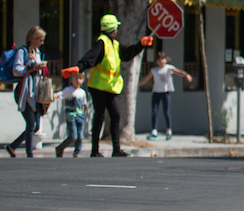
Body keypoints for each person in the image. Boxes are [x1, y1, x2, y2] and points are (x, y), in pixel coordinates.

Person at [60, 15, 153, 158]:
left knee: (115, 115)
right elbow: (90, 57)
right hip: (98, 86)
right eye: (116, 27)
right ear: (113, 29)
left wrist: (141, 44)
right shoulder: (102, 42)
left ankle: (116, 149)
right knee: (100, 116)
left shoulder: (114, 44)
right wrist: (79, 67)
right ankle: (95, 150)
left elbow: (127, 54)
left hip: (109, 86)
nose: (117, 30)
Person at [4, 27, 48, 158]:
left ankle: (12, 146)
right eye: (40, 40)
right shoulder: (22, 52)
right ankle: (30, 154)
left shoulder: (37, 52)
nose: (42, 43)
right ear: (33, 39)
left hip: (35, 92)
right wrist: (32, 68)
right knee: (31, 123)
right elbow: (16, 70)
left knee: (35, 126)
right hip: (24, 91)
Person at [138, 53, 192, 140]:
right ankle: (154, 131)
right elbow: (145, 79)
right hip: (156, 92)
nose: (161, 61)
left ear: (166, 60)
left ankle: (168, 131)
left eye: (163, 59)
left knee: (166, 112)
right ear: (157, 61)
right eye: (159, 59)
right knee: (154, 112)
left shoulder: (169, 68)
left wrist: (186, 75)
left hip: (165, 93)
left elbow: (179, 72)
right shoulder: (154, 70)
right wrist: (136, 85)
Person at [52, 72, 89, 158]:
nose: (78, 81)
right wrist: (50, 95)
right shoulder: (68, 90)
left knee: (80, 136)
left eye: (80, 78)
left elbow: (83, 104)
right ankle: (60, 148)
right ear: (71, 79)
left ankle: (77, 152)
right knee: (73, 136)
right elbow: (59, 95)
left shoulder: (82, 92)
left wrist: (82, 115)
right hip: (71, 115)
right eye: (76, 78)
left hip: (80, 116)